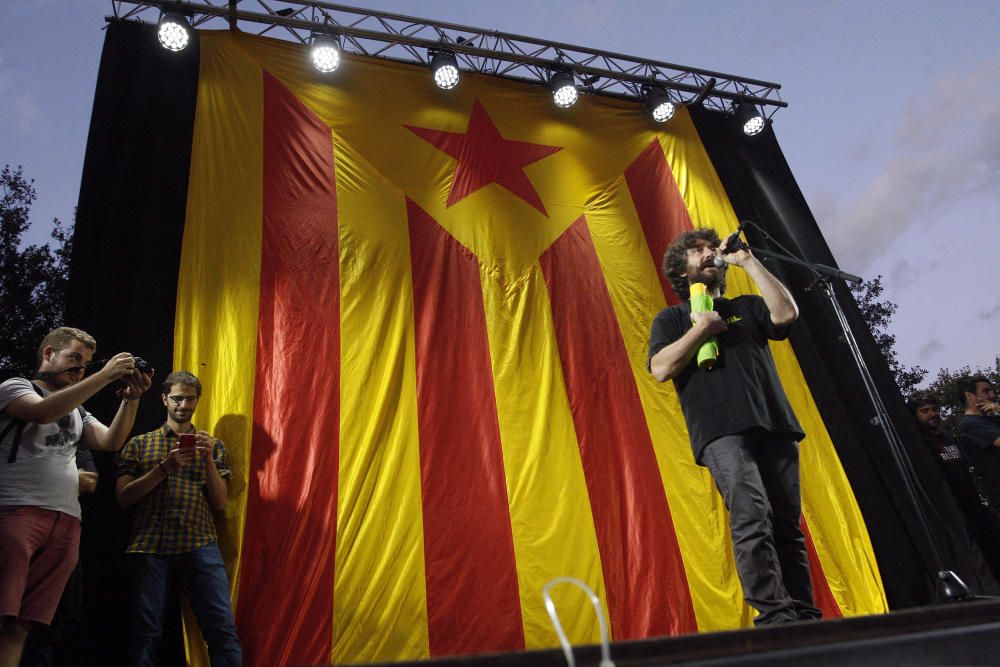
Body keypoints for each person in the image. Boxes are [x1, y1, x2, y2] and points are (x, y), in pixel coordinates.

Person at [647, 227, 821, 626]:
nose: (707, 254)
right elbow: (660, 368)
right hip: (721, 431)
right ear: (681, 269)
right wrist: (700, 330)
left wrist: (748, 261)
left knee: (786, 523)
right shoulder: (672, 319)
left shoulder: (746, 306)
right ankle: (776, 616)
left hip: (774, 424)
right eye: (696, 251)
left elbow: (785, 314)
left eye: (711, 248)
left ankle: (805, 616)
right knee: (751, 513)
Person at [0, 327, 152, 667]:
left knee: (23, 625)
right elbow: (41, 413)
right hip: (15, 512)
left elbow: (111, 441)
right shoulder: (16, 387)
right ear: (48, 353)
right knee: (3, 615)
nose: (78, 370)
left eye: (84, 364)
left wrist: (132, 398)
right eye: (73, 359)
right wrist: (102, 375)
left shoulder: (78, 411)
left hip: (66, 521)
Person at [115, 371, 242, 667]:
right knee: (146, 633)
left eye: (190, 398)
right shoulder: (139, 444)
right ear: (164, 399)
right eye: (178, 398)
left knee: (221, 627)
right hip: (148, 545)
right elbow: (123, 498)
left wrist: (209, 459)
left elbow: (221, 501)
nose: (184, 404)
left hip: (198, 542)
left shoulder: (213, 445)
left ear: (198, 400)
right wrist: (165, 467)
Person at [908, 390, 1000, 579]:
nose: (933, 414)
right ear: (915, 416)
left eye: (934, 409)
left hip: (974, 508)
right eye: (925, 411)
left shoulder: (948, 438)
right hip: (952, 514)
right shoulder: (919, 443)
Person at [957, 376, 1000, 509]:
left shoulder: (993, 419)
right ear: (969, 395)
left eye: (992, 391)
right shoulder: (970, 425)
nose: (992, 395)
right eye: (986, 391)